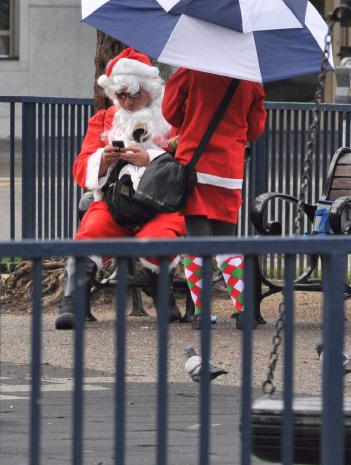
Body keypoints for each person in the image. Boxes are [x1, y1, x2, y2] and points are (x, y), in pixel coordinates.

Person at [55, 48, 185, 330]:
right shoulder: (104, 119)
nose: (126, 102)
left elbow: (184, 164)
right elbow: (80, 169)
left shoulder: (172, 119)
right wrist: (102, 160)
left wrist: (149, 158)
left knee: (160, 237)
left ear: (150, 89)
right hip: (114, 202)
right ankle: (73, 301)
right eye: (120, 95)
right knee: (90, 234)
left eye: (133, 94)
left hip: (160, 205)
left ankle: (164, 295)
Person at [162, 68, 266, 322]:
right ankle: (244, 311)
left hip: (195, 162)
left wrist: (194, 113)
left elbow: (170, 111)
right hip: (229, 169)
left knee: (197, 244)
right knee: (226, 243)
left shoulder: (191, 68)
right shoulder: (250, 75)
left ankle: (200, 313)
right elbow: (254, 129)